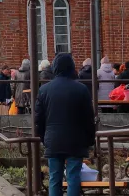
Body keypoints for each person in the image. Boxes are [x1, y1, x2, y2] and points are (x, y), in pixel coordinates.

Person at [34, 53, 95, 196]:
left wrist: (44, 138)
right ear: (72, 67)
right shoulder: (81, 89)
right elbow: (88, 118)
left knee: (55, 178)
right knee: (73, 176)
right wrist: (89, 139)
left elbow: (39, 119)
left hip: (53, 139)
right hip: (76, 140)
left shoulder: (44, 90)